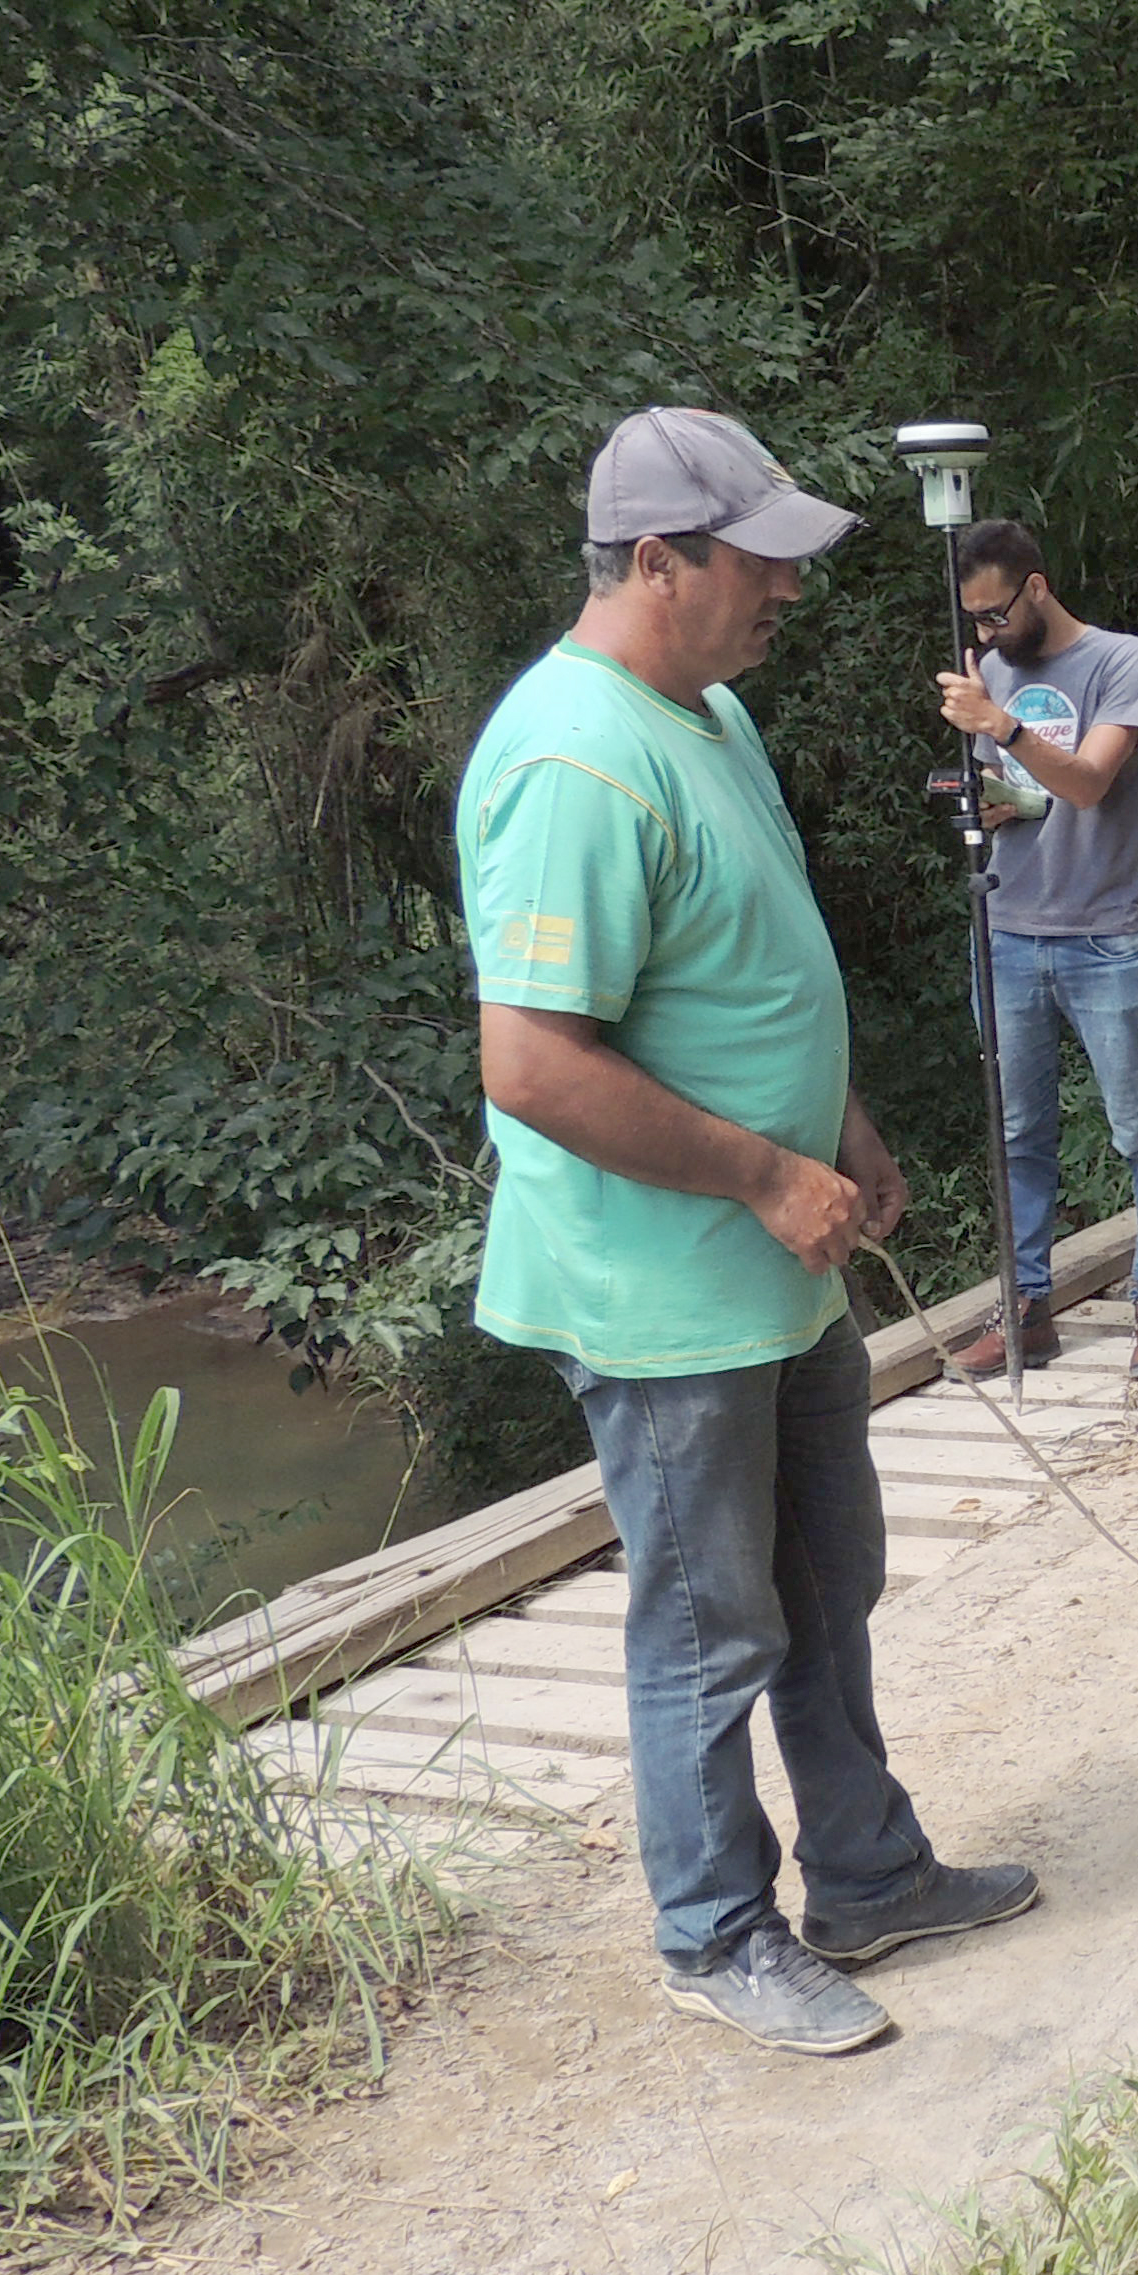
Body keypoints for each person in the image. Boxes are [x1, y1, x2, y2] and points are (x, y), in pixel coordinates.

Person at [459, 405, 1037, 2060]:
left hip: (770, 1271)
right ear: (658, 562)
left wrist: (837, 1131)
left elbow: (739, 964)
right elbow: (535, 1062)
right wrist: (764, 1176)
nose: (787, 589)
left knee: (825, 1580)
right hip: (664, 1296)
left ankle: (866, 1872)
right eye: (758, 561)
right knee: (711, 1628)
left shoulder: (699, 708)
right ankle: (714, 1931)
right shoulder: (572, 758)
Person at [931, 520, 1138, 1381]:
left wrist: (1002, 728)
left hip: (1103, 934)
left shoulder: (1123, 661)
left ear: (1035, 587)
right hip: (1008, 931)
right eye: (972, 621)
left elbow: (1086, 781)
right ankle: (1026, 1308)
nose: (984, 636)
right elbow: (1025, 795)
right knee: (1016, 1136)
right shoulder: (990, 675)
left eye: (995, 615)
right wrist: (991, 797)